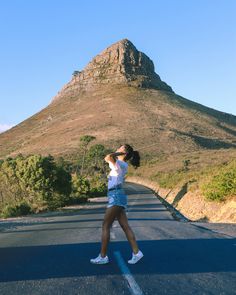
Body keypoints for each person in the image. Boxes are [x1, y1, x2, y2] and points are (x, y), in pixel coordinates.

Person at [90, 144, 144, 265]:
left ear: (124, 153)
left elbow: (108, 156)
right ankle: (136, 252)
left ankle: (103, 256)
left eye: (121, 148)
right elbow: (108, 159)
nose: (118, 148)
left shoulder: (120, 164)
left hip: (116, 196)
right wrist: (120, 153)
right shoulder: (119, 164)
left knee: (105, 226)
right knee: (125, 226)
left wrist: (119, 154)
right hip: (117, 195)